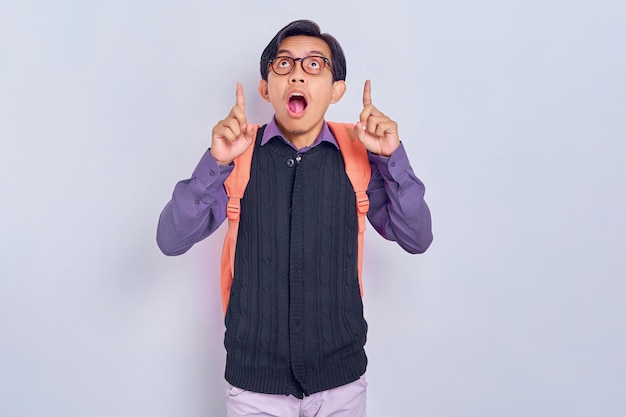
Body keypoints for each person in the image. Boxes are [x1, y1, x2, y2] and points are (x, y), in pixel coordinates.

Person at [157, 19, 432, 417]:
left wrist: (392, 159)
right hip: (255, 388)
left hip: (341, 383)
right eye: (284, 64)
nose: (298, 72)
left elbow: (417, 237)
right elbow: (171, 239)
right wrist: (215, 161)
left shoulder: (358, 155)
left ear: (337, 90)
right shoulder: (238, 155)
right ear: (266, 87)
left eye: (314, 64)